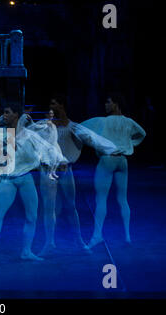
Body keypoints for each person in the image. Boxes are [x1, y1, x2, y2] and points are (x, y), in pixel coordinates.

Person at [0, 103, 67, 262]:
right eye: (3, 113)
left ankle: (26, 251)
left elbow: (45, 147)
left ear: (16, 115)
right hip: (8, 180)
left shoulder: (28, 134)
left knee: (32, 217)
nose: (4, 115)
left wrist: (59, 160)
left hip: (25, 178)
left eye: (7, 112)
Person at [38, 95, 118, 257]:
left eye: (54, 103)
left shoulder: (72, 127)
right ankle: (49, 243)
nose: (51, 107)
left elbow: (91, 138)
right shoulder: (44, 126)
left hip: (66, 171)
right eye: (50, 104)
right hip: (49, 171)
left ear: (62, 105)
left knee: (71, 206)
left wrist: (109, 148)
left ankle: (79, 240)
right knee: (50, 208)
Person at [81, 94, 146, 248]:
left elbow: (80, 128)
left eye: (108, 102)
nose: (105, 104)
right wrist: (130, 144)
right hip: (123, 161)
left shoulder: (102, 121)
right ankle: (128, 236)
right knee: (122, 199)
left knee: (101, 199)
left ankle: (97, 236)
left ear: (116, 104)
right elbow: (142, 134)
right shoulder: (129, 122)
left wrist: (94, 143)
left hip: (108, 160)